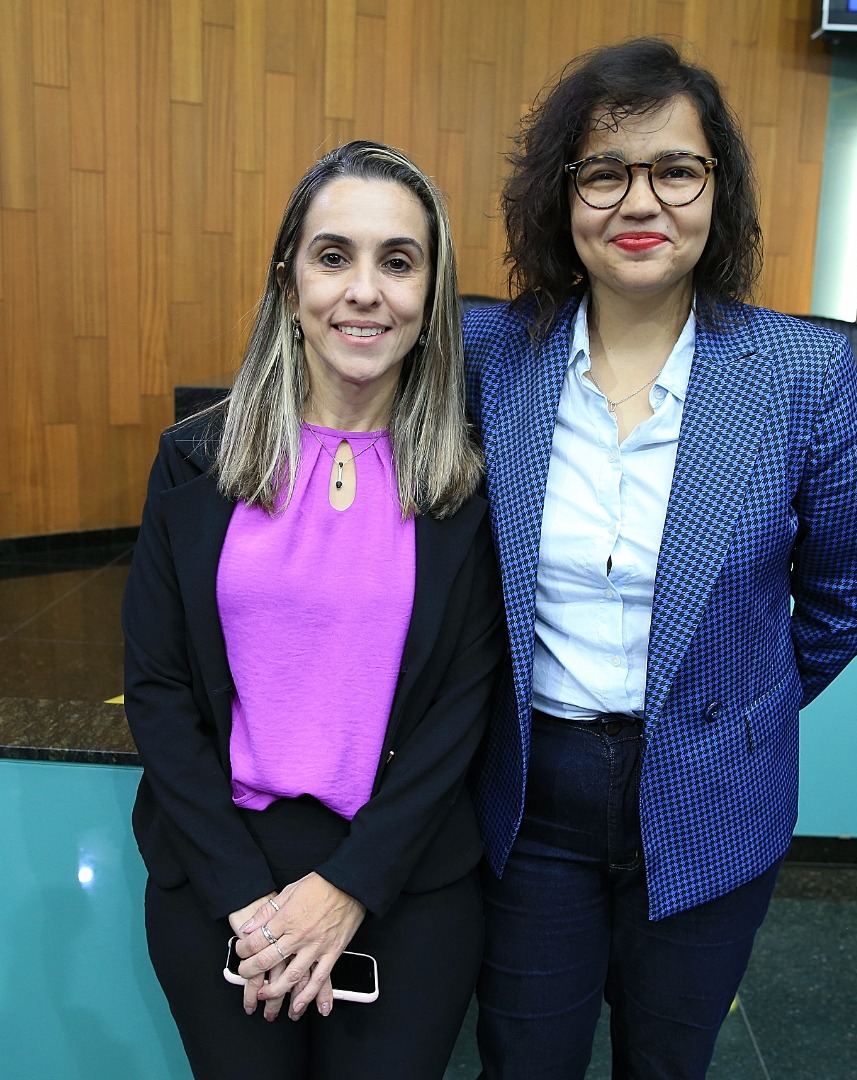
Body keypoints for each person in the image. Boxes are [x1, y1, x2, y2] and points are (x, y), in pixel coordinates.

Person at [463, 37, 857, 1080]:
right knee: (524, 1059)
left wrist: (735, 700)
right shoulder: (490, 356)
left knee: (668, 1061)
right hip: (530, 789)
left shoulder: (802, 372)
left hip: (713, 787)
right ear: (562, 195)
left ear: (717, 187)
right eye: (604, 172)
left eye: (675, 169)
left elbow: (849, 595)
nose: (640, 201)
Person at [123, 140, 505, 1080]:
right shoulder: (193, 463)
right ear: (288, 283)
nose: (364, 291)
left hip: (403, 881)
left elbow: (462, 707)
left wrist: (348, 888)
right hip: (219, 875)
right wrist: (245, 900)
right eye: (334, 256)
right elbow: (158, 690)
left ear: (431, 296)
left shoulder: (470, 484)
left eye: (398, 261)